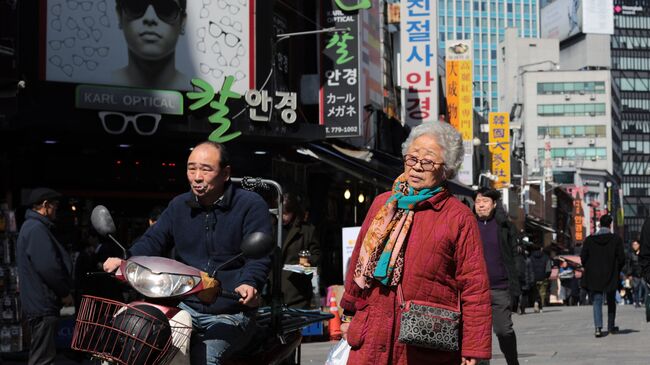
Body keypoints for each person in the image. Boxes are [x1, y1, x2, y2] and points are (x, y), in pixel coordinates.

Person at [103, 141, 272, 365]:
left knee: (205, 359)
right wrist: (125, 260)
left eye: (206, 169)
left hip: (230, 312)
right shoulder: (178, 206)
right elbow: (153, 240)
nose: (197, 177)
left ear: (226, 173)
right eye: (191, 168)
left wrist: (250, 282)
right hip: (184, 307)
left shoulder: (250, 204)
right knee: (140, 347)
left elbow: (259, 255)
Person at [339, 121, 492, 365]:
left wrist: (473, 347)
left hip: (424, 342)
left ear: (447, 169)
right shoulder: (383, 204)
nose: (417, 167)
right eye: (412, 159)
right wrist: (347, 315)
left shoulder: (458, 217)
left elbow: (474, 287)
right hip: (370, 335)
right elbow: (359, 263)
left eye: (428, 161)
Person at [16, 188, 74, 365]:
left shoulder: (33, 227)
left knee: (42, 356)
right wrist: (64, 292)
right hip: (42, 305)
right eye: (54, 206)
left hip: (39, 304)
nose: (56, 210)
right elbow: (48, 267)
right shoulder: (36, 229)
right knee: (43, 359)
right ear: (45, 206)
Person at [474, 187, 520, 365]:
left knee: (503, 330)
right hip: (475, 290)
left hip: (500, 288)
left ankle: (512, 361)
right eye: (478, 202)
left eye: (484, 201)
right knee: (478, 333)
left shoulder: (505, 227)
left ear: (494, 204)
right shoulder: (469, 225)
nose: (481, 206)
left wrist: (516, 287)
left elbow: (515, 257)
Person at [112, 0, 191, 90]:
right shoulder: (101, 85)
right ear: (119, 16)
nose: (150, 18)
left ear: (183, 22)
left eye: (166, 9)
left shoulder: (199, 94)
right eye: (135, 6)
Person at [580, 214, 625, 337]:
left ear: (599, 224)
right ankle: (611, 326)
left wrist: (590, 267)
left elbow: (583, 258)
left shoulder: (589, 240)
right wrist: (617, 269)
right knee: (611, 300)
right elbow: (622, 258)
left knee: (597, 301)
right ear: (610, 225)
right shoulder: (616, 239)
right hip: (611, 274)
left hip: (594, 275)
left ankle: (598, 328)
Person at [280, 192, 321, 308]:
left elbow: (316, 254)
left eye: (285, 214)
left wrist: (308, 262)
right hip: (272, 291)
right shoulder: (272, 227)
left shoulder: (307, 230)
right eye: (279, 213)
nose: (281, 217)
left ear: (293, 212)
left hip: (296, 291)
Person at [529, 245, 551, 313]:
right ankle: (541, 306)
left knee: (534, 292)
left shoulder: (530, 257)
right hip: (543, 277)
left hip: (533, 278)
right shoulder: (546, 257)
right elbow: (548, 269)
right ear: (541, 249)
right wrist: (547, 276)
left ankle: (535, 303)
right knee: (542, 293)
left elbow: (529, 268)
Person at [626, 240, 646, 308]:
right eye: (633, 245)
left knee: (644, 287)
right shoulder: (631, 254)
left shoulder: (643, 253)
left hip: (643, 273)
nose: (635, 246)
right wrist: (629, 274)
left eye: (636, 244)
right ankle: (637, 302)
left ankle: (644, 301)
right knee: (636, 288)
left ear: (639, 245)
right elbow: (629, 265)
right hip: (635, 274)